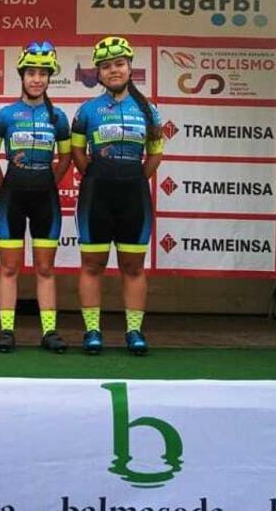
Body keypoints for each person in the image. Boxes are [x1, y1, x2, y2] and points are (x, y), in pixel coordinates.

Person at [70, 36, 163, 356]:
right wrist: (99, 175)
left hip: (133, 194)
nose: (113, 71)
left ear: (129, 67)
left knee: (133, 266)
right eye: (106, 66)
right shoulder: (87, 110)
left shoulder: (148, 110)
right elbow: (78, 153)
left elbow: (154, 155)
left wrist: (134, 178)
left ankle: (134, 331)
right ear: (97, 72)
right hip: (97, 192)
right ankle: (92, 330)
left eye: (119, 64)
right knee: (92, 264)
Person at [0, 41, 71, 353]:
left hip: (45, 199)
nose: (37, 79)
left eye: (43, 74)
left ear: (50, 78)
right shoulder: (6, 115)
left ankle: (49, 331)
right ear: (21, 76)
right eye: (31, 73)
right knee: (9, 267)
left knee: (46, 268)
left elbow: (66, 158)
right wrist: (4, 184)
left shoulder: (58, 117)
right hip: (12, 198)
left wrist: (49, 181)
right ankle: (7, 330)